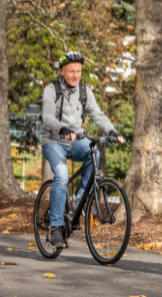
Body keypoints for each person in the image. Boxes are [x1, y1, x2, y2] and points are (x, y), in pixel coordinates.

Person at [41, 51, 126, 248]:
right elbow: (47, 116)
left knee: (93, 152)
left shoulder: (84, 91)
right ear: (62, 71)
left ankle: (79, 198)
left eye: (78, 71)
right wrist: (62, 128)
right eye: (71, 71)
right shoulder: (51, 90)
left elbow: (98, 115)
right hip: (53, 141)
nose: (75, 75)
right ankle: (55, 227)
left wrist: (112, 131)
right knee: (61, 174)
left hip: (76, 140)